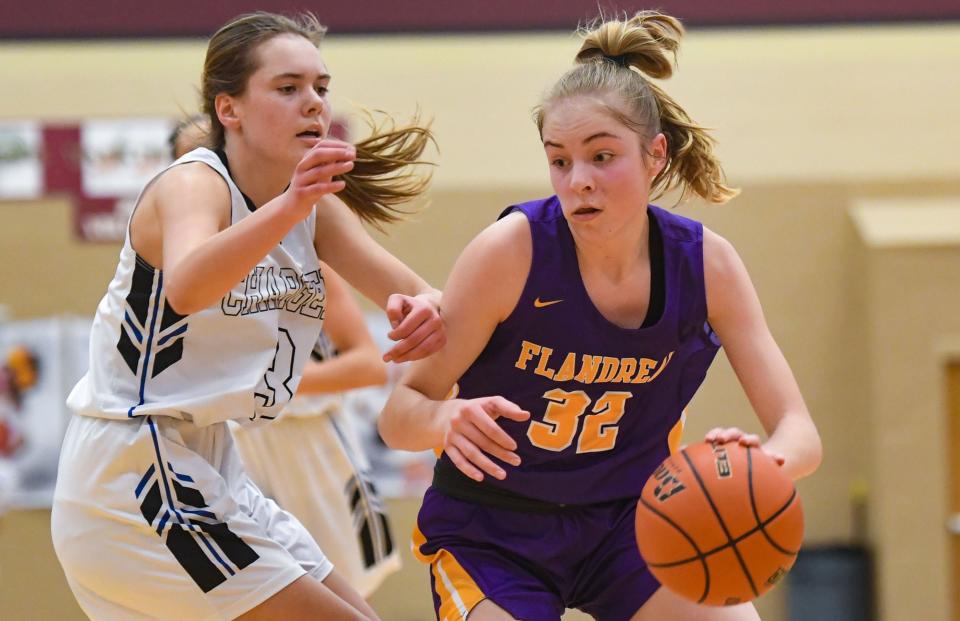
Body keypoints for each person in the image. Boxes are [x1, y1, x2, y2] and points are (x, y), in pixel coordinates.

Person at [378, 11, 822, 621]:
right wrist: (443, 417)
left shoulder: (706, 266)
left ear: (655, 155)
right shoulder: (509, 252)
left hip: (634, 524)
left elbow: (800, 433)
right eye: (559, 161)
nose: (578, 180)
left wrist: (755, 464)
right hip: (494, 534)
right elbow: (399, 416)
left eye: (601, 156)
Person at [52, 11, 443, 621]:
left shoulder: (311, 207)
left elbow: (422, 295)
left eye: (320, 87)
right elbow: (185, 285)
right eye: (288, 88)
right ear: (228, 109)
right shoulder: (195, 184)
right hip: (134, 465)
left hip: (213, 460)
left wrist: (423, 311)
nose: (313, 103)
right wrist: (292, 204)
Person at [169, 116, 402, 599]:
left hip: (312, 443)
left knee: (344, 596)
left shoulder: (302, 253)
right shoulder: (183, 266)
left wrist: (276, 384)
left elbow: (368, 363)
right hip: (231, 444)